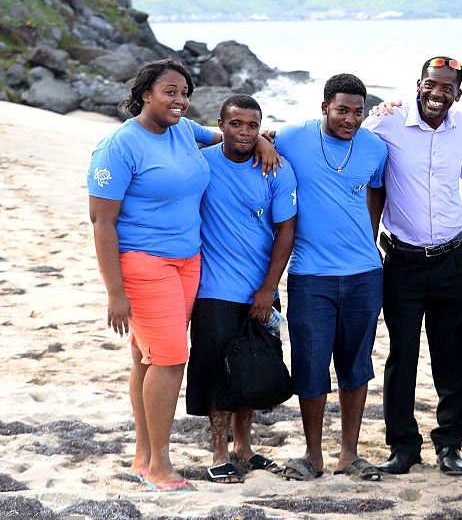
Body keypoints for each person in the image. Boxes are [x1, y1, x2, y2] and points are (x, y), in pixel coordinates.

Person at [88, 59, 274, 492]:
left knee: (146, 357)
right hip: (143, 263)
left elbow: (230, 137)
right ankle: (159, 465)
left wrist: (264, 142)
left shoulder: (184, 131)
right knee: (171, 360)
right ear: (145, 94)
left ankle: (142, 456)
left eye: (185, 92)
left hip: (189, 261)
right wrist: (114, 292)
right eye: (170, 91)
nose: (180, 100)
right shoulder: (118, 145)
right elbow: (101, 222)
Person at [362, 56, 462, 477]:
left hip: (455, 257)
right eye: (431, 84)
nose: (437, 93)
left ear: (457, 94)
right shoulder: (387, 123)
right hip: (402, 261)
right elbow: (341, 140)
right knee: (402, 355)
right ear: (419, 84)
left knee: (456, 356)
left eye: (447, 87)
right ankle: (403, 447)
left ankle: (450, 444)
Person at [272, 73, 388, 481]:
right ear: (324, 107)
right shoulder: (291, 138)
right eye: (342, 110)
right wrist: (266, 148)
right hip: (310, 275)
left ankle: (350, 455)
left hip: (364, 274)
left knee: (356, 366)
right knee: (311, 363)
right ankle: (312, 454)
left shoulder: (374, 147)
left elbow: (376, 191)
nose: (350, 120)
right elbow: (256, 140)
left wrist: (366, 237)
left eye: (358, 112)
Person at [185, 94, 297, 484]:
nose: (245, 132)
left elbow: (286, 230)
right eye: (236, 124)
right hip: (213, 290)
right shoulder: (202, 164)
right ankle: (218, 450)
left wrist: (269, 288)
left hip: (260, 290)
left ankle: (244, 447)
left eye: (253, 126)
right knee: (218, 371)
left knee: (250, 368)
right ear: (221, 125)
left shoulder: (277, 169)